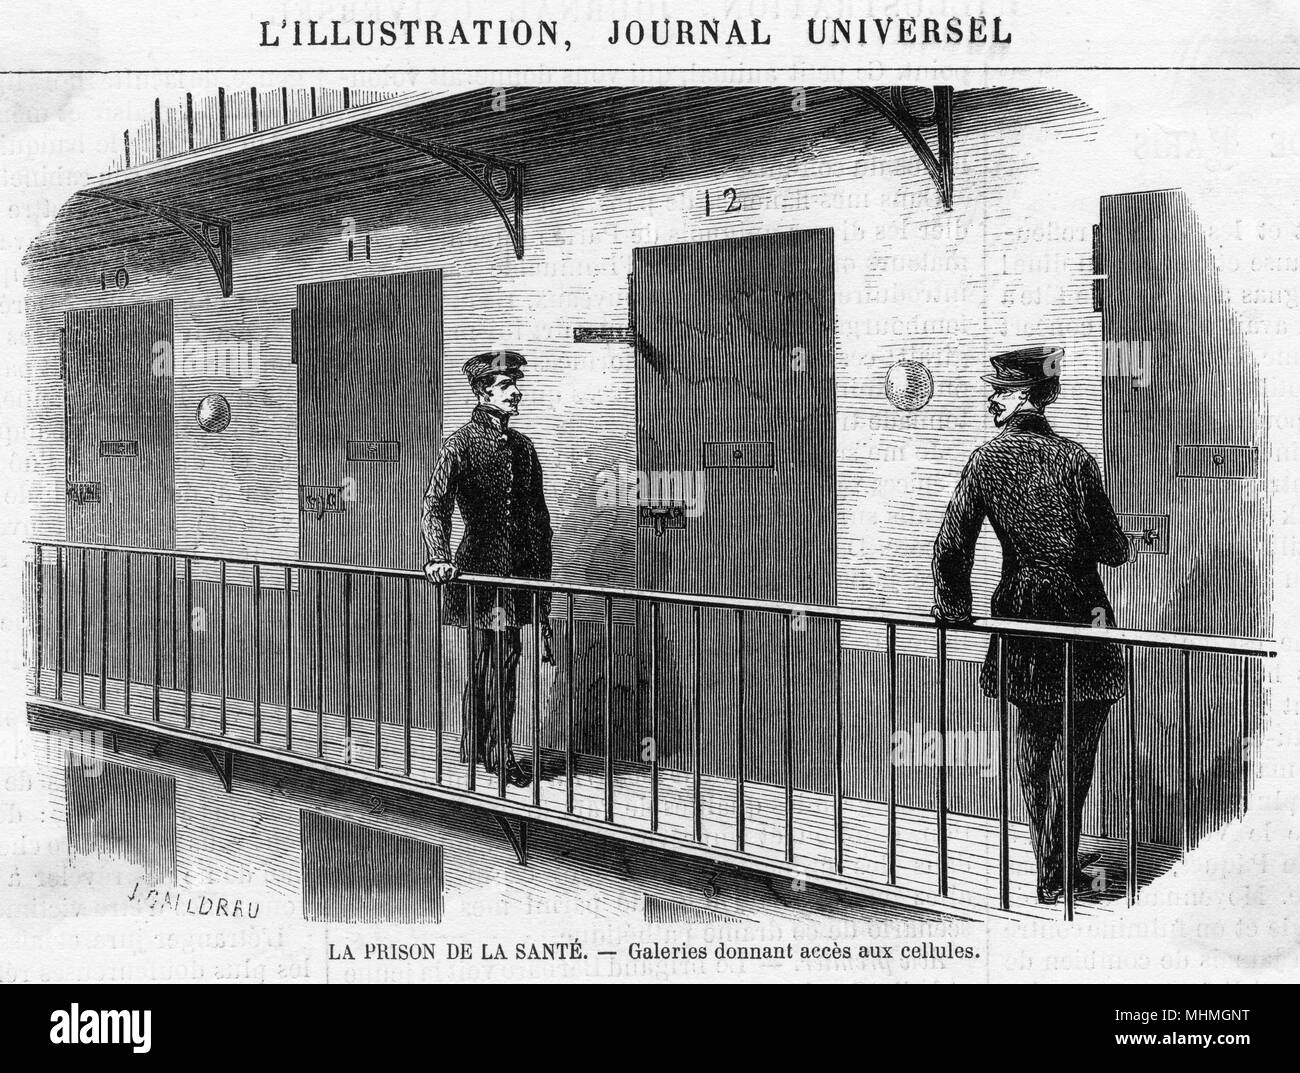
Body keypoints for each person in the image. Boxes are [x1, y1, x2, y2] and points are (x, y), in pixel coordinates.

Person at [931, 346, 1131, 904]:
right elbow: (1111, 551)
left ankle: (1048, 867)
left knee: (1034, 743)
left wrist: (954, 609)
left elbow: (952, 547)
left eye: (999, 390)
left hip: (1023, 617)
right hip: (1085, 619)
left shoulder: (986, 461)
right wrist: (1126, 545)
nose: (991, 400)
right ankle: (1062, 861)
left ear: (1023, 396)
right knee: (1080, 747)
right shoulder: (1076, 459)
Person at [421, 349, 554, 788]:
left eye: (516, 384)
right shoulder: (459, 444)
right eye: (505, 386)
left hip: (517, 575)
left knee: (497, 657)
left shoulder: (522, 447)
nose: (516, 393)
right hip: (480, 570)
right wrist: (438, 555)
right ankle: (498, 755)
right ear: (482, 392)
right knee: (501, 657)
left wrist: (541, 586)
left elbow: (538, 521)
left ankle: (476, 746)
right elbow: (435, 506)